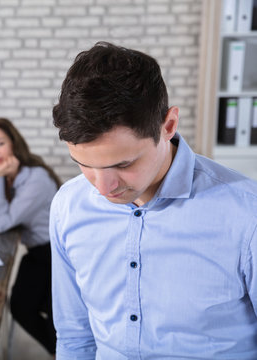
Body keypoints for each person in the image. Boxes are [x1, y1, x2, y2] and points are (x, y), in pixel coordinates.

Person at [50, 41, 257, 359]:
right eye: (86, 165)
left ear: (169, 126)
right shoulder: (68, 206)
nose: (104, 188)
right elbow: (74, 337)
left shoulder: (246, 213)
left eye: (123, 164)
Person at [0, 118, 61, 355]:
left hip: (57, 254)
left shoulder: (35, 178)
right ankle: (57, 352)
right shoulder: (9, 177)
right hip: (38, 252)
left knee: (57, 321)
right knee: (22, 306)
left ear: (14, 143)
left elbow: (2, 223)